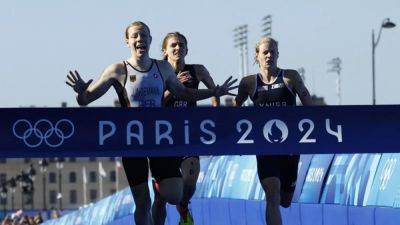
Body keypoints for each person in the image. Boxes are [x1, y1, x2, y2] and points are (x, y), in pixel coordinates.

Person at [66, 21, 237, 225]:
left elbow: (183, 93)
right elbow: (86, 100)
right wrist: (80, 93)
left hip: (159, 139)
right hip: (133, 143)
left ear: (150, 40)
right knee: (143, 202)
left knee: (174, 195)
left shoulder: (163, 67)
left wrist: (213, 92)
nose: (140, 39)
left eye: (144, 36)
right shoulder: (117, 70)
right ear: (127, 41)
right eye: (135, 36)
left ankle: (158, 184)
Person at [234, 37, 313, 225]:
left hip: (290, 147)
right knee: (272, 195)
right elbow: (234, 111)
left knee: (285, 200)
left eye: (272, 52)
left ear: (278, 55)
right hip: (265, 147)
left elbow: (310, 106)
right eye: (265, 52)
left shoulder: (289, 77)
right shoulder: (248, 83)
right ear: (257, 56)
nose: (269, 55)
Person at [161, 32, 219, 225]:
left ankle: (184, 207)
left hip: (188, 133)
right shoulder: (158, 71)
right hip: (164, 136)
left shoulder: (198, 70)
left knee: (191, 179)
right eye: (173, 45)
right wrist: (175, 87)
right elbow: (155, 104)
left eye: (181, 45)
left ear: (187, 49)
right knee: (164, 196)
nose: (178, 48)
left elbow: (213, 90)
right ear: (165, 51)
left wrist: (216, 110)